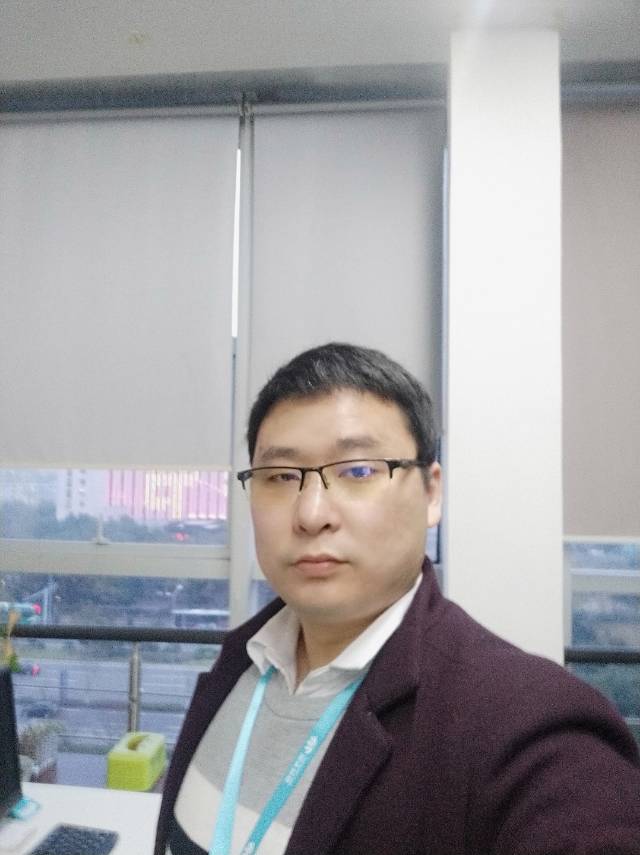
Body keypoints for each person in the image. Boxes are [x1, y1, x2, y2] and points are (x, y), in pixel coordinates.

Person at [155, 342, 640, 855]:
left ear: (431, 493)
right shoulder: (242, 659)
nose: (311, 514)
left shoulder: (524, 723)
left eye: (358, 471)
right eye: (280, 477)